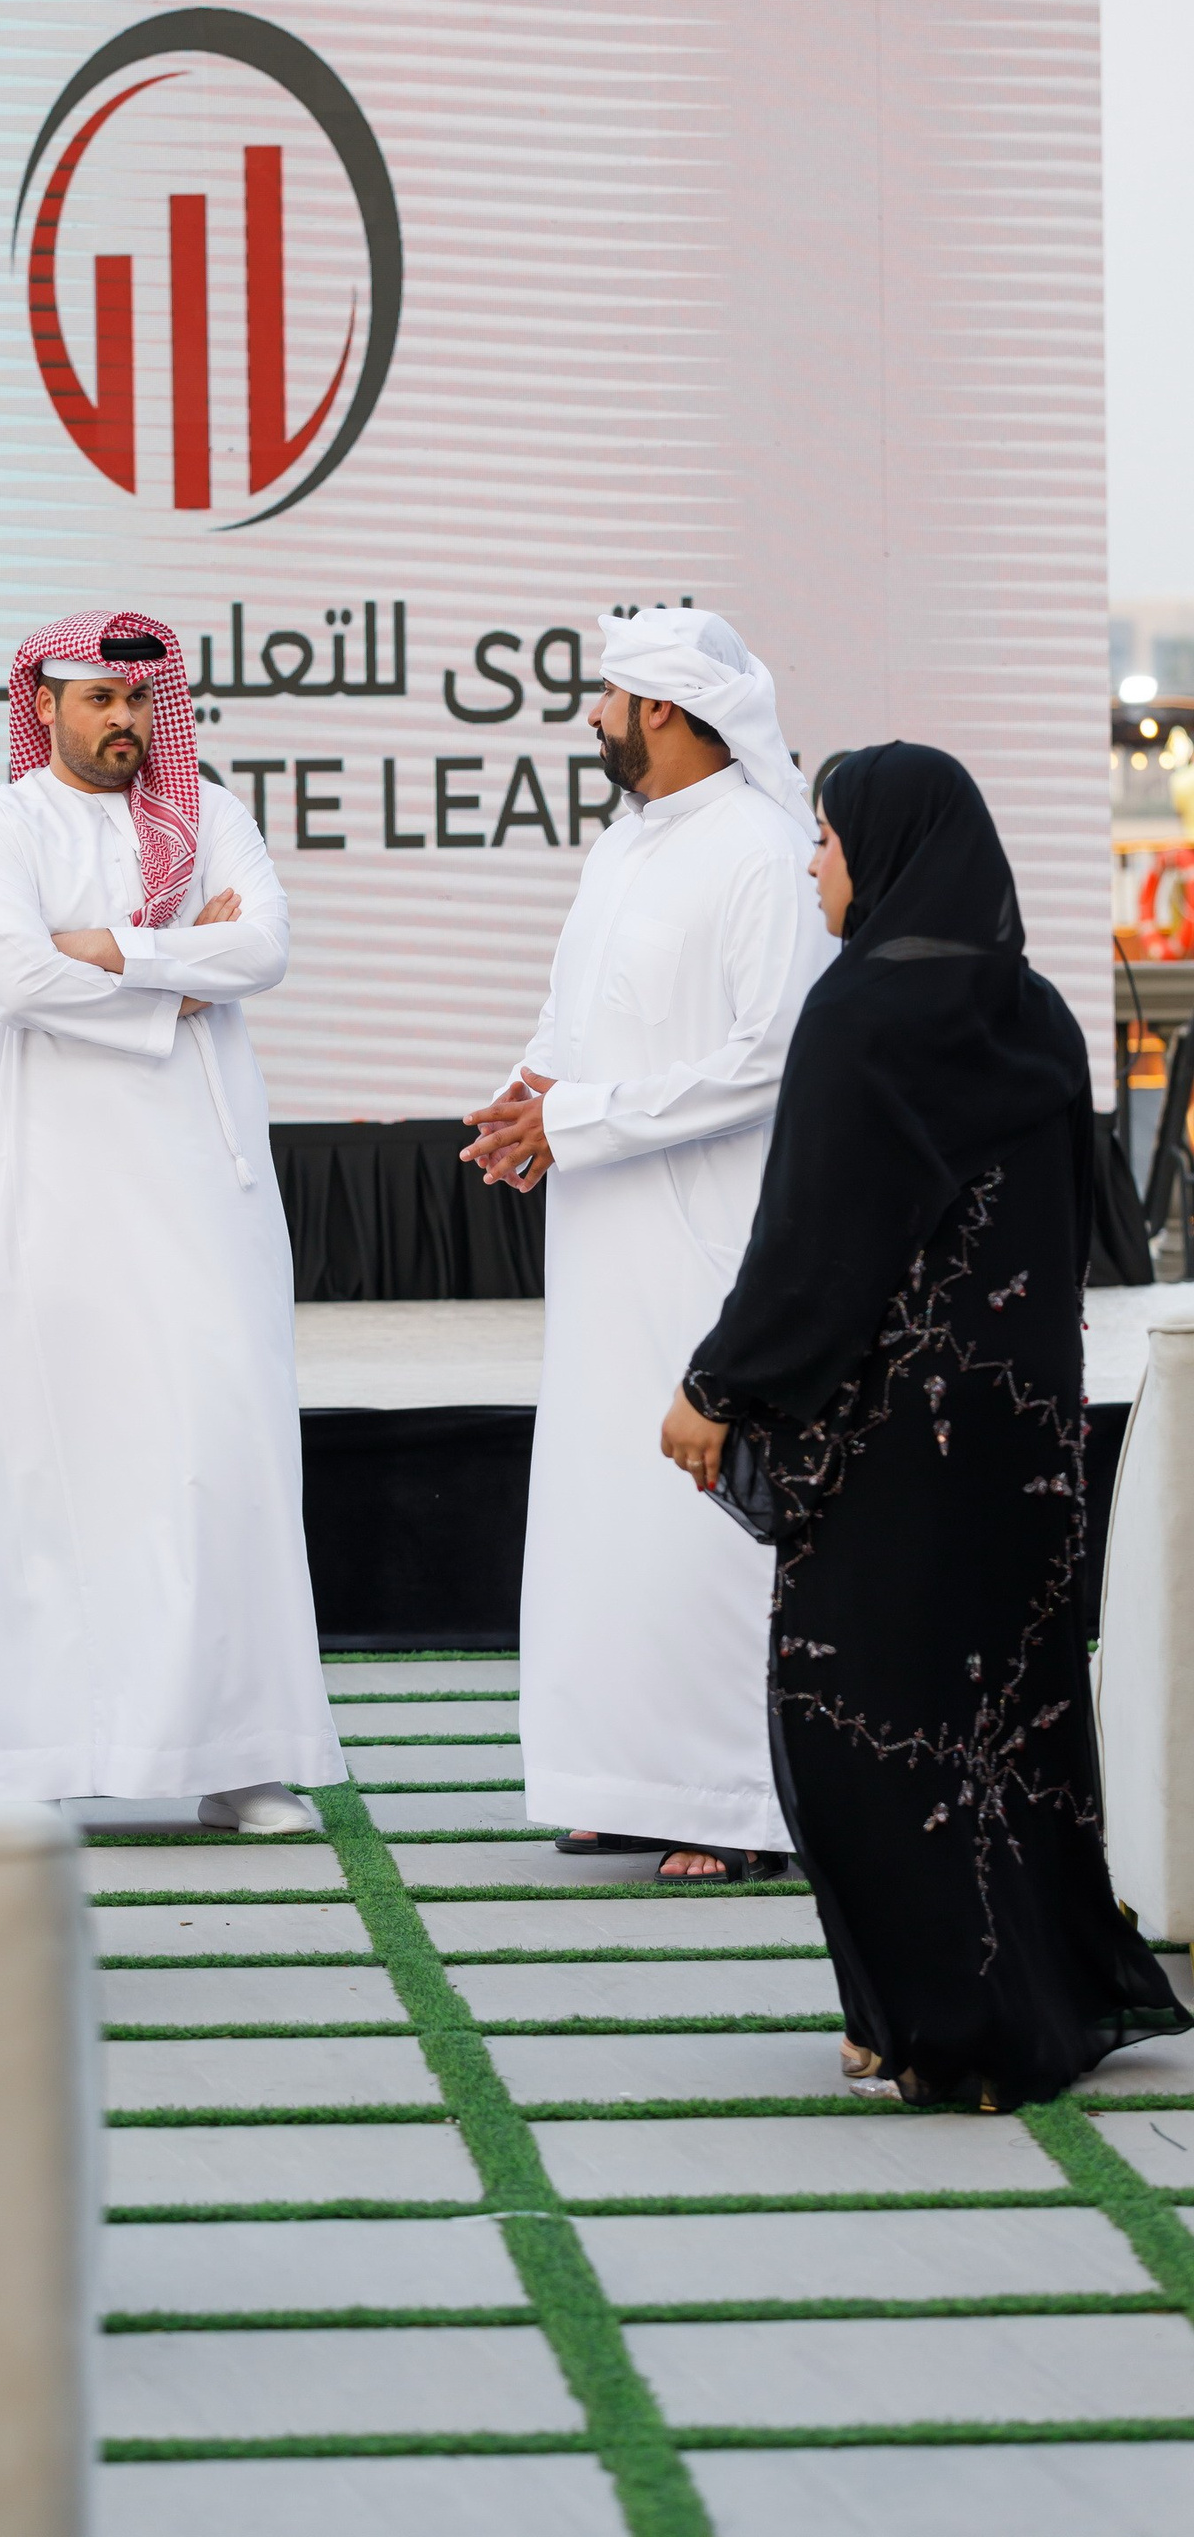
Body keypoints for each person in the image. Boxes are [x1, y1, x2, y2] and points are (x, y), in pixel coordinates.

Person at [663, 742, 1189, 2104]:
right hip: (1023, 1434)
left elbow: (815, 1248)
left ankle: (946, 2024)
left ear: (888, 853)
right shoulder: (1040, 1016)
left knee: (859, 1726)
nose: (812, 865)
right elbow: (1065, 1239)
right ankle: (986, 2000)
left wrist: (717, 1388)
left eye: (828, 839)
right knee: (1010, 1723)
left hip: (896, 1441)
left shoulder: (858, 1016)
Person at [0, 611, 342, 1830]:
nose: (123, 720)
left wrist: (108, 950)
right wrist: (173, 970)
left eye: (138, 700)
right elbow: (13, 974)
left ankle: (237, 1759)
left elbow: (261, 948)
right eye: (99, 699)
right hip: (51, 1197)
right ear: (44, 704)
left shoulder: (208, 813)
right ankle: (35, 1758)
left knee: (221, 1447)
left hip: (202, 1191)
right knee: (49, 1462)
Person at [462, 606, 835, 1881]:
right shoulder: (624, 842)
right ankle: (626, 1779)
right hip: (603, 1229)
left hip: (704, 1233)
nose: (595, 718)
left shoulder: (762, 852)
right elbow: (577, 1010)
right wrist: (531, 1094)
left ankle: (735, 1804)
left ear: (663, 712)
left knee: (695, 1508)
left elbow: (769, 1060)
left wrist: (580, 1120)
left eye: (609, 698)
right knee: (605, 1502)